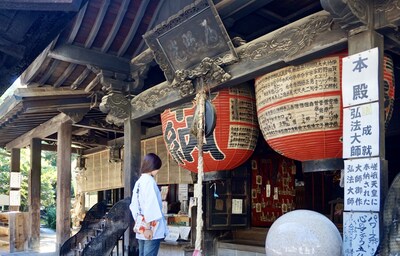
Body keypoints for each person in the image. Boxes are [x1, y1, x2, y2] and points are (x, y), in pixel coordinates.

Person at [129, 153, 168, 256]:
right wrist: (148, 228)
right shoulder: (149, 182)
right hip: (151, 228)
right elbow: (150, 206)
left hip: (141, 225)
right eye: (157, 168)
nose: (158, 171)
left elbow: (133, 206)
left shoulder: (139, 182)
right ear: (153, 167)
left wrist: (139, 223)